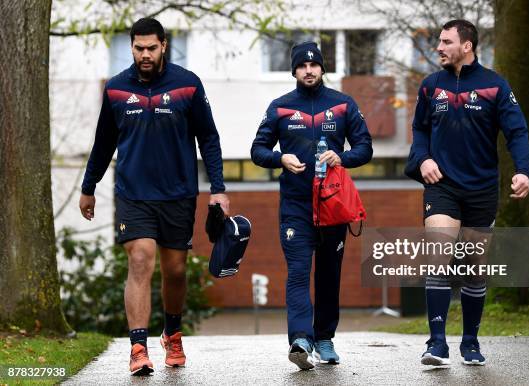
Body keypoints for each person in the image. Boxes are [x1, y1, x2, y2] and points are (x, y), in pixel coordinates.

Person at [78, 18, 229, 376]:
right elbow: (103, 142)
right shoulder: (116, 89)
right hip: (134, 194)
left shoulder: (187, 85)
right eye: (138, 48)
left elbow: (208, 137)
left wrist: (218, 188)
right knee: (141, 260)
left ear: (164, 46)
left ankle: (172, 333)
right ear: (131, 47)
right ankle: (138, 347)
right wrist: (89, 186)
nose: (145, 54)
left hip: (178, 193)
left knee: (175, 271)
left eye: (151, 48)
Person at [410, 19, 529, 366]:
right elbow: (419, 130)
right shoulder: (431, 86)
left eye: (446, 41)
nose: (438, 47)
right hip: (441, 186)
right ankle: (436, 344)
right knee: (439, 253)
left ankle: (470, 343)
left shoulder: (495, 85)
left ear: (467, 45)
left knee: (474, 268)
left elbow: (517, 131)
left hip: (481, 189)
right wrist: (422, 160)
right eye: (439, 41)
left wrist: (523, 171)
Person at [251, 41, 372, 370]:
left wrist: (342, 157)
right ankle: (300, 339)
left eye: (314, 65)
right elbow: (257, 150)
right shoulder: (280, 107)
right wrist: (280, 158)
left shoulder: (343, 104)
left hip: (333, 207)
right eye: (302, 66)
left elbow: (365, 147)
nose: (308, 70)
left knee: (329, 276)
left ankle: (324, 339)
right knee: (299, 273)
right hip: (296, 207)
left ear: (322, 68)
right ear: (294, 71)